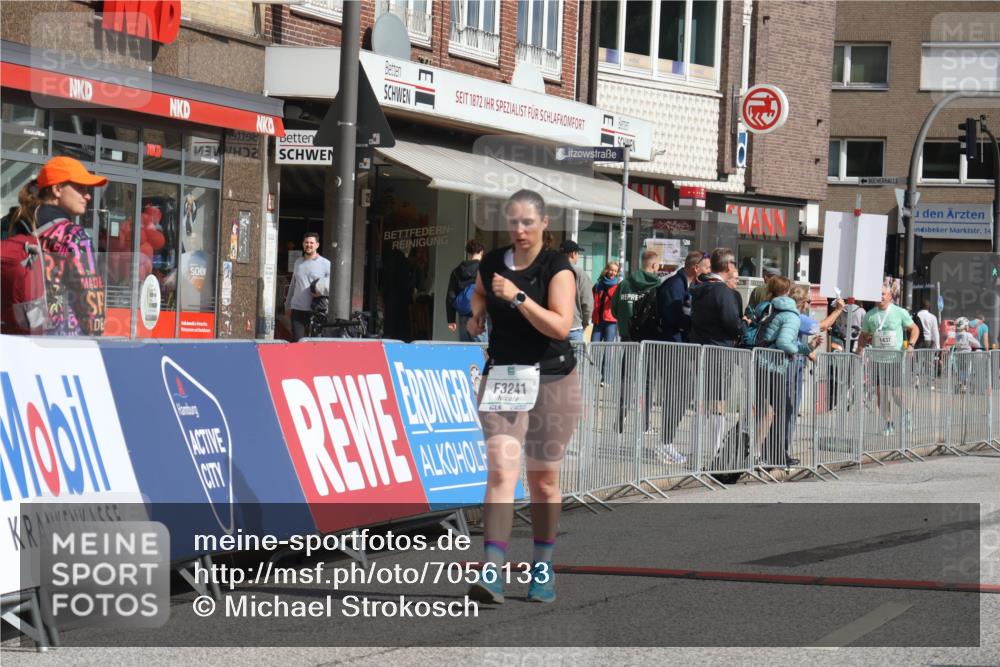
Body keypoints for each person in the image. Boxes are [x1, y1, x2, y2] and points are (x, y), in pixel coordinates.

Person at [465, 189, 581, 605]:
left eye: (528, 222)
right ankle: (492, 571)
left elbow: (559, 326)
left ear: (544, 224)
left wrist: (517, 297)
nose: (519, 230)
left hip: (552, 378)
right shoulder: (494, 262)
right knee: (501, 470)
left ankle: (542, 568)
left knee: (543, 480)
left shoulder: (557, 267)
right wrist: (477, 312)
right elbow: (480, 290)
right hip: (504, 375)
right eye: (513, 222)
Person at [3, 157, 107, 335]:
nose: (88, 196)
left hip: (15, 339)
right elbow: (93, 312)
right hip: (61, 344)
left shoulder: (11, 225)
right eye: (81, 188)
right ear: (57, 189)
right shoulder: (73, 235)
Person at [857, 286, 920, 436]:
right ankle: (888, 423)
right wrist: (860, 350)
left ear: (890, 296)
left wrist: (911, 345)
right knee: (882, 394)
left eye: (883, 294)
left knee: (897, 393)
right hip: (878, 360)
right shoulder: (870, 315)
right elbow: (864, 335)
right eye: (878, 294)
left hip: (895, 359)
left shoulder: (899, 312)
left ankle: (907, 413)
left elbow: (914, 329)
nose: (881, 297)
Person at [690, 248, 744, 347]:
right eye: (734, 263)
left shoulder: (701, 287)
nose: (735, 267)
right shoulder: (722, 290)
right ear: (729, 265)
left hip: (699, 346)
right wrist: (745, 324)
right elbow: (732, 323)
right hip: (718, 349)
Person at [285, 232, 330, 341]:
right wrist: (288, 305)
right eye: (306, 242)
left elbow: (332, 286)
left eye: (311, 243)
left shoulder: (326, 264)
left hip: (315, 310)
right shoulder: (298, 262)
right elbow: (293, 285)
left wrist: (321, 290)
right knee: (298, 342)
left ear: (317, 245)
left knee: (314, 344)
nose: (308, 245)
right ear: (303, 244)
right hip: (297, 309)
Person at [657, 250, 710, 343]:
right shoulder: (675, 286)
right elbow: (673, 318)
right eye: (707, 268)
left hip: (679, 340)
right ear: (696, 268)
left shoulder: (688, 285)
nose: (709, 271)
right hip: (671, 343)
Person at [611, 248, 661, 342]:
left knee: (628, 352)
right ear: (654, 265)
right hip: (649, 335)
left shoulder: (624, 284)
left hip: (626, 334)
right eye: (659, 265)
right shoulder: (658, 286)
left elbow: (614, 310)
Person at [446, 238, 486, 342]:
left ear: (468, 252)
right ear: (481, 251)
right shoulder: (484, 269)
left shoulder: (456, 271)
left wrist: (451, 320)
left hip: (463, 315)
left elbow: (450, 296)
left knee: (466, 348)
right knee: (482, 349)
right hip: (480, 316)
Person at [559, 239, 593, 343]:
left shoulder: (551, 271)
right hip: (574, 327)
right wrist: (585, 322)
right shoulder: (579, 273)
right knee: (577, 354)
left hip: (555, 327)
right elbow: (587, 301)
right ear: (573, 254)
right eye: (578, 253)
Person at [591, 262, 621, 342]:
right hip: (598, 320)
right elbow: (591, 300)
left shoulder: (618, 287)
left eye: (615, 271)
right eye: (611, 270)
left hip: (611, 321)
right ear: (607, 270)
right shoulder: (598, 285)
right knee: (593, 346)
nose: (613, 273)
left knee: (608, 348)